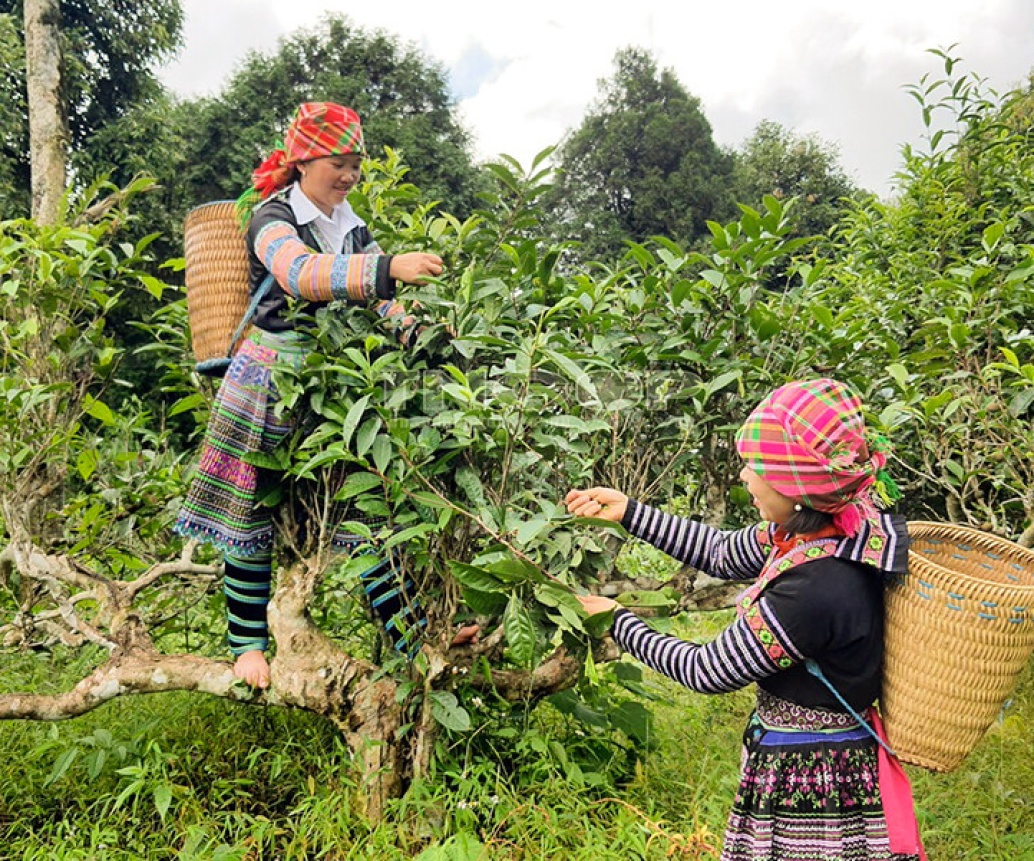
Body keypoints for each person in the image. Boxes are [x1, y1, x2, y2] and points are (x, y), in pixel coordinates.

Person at [175, 102, 472, 690]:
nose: (349, 175)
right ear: (304, 160)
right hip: (266, 382)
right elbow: (300, 275)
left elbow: (381, 302)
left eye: (356, 164)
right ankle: (246, 647)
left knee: (366, 510)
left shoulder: (350, 223)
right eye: (340, 162)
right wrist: (390, 267)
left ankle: (415, 635)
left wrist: (422, 331)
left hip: (331, 384)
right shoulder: (272, 217)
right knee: (248, 513)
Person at [566, 378, 926, 861]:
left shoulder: (815, 590)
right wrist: (630, 512)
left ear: (795, 482)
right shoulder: (837, 526)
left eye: (756, 466)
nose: (743, 477)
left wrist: (618, 620)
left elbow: (707, 670)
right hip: (821, 757)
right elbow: (718, 551)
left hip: (811, 780)